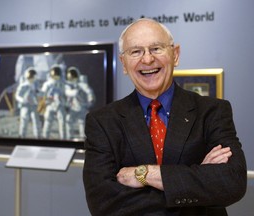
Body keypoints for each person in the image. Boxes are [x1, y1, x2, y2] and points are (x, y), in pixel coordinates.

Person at [83, 18, 247, 216]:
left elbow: (232, 183)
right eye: (136, 51)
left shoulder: (212, 111)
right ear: (124, 63)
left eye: (156, 48)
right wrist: (197, 183)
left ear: (175, 54)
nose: (147, 59)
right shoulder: (102, 122)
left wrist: (144, 174)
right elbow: (103, 203)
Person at [15, 67, 41, 138]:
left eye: (33, 76)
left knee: (36, 121)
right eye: (31, 76)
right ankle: (22, 136)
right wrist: (22, 100)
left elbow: (38, 93)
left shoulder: (35, 85)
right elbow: (17, 95)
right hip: (25, 105)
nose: (32, 78)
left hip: (33, 105)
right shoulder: (23, 85)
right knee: (24, 121)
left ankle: (37, 136)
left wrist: (40, 93)